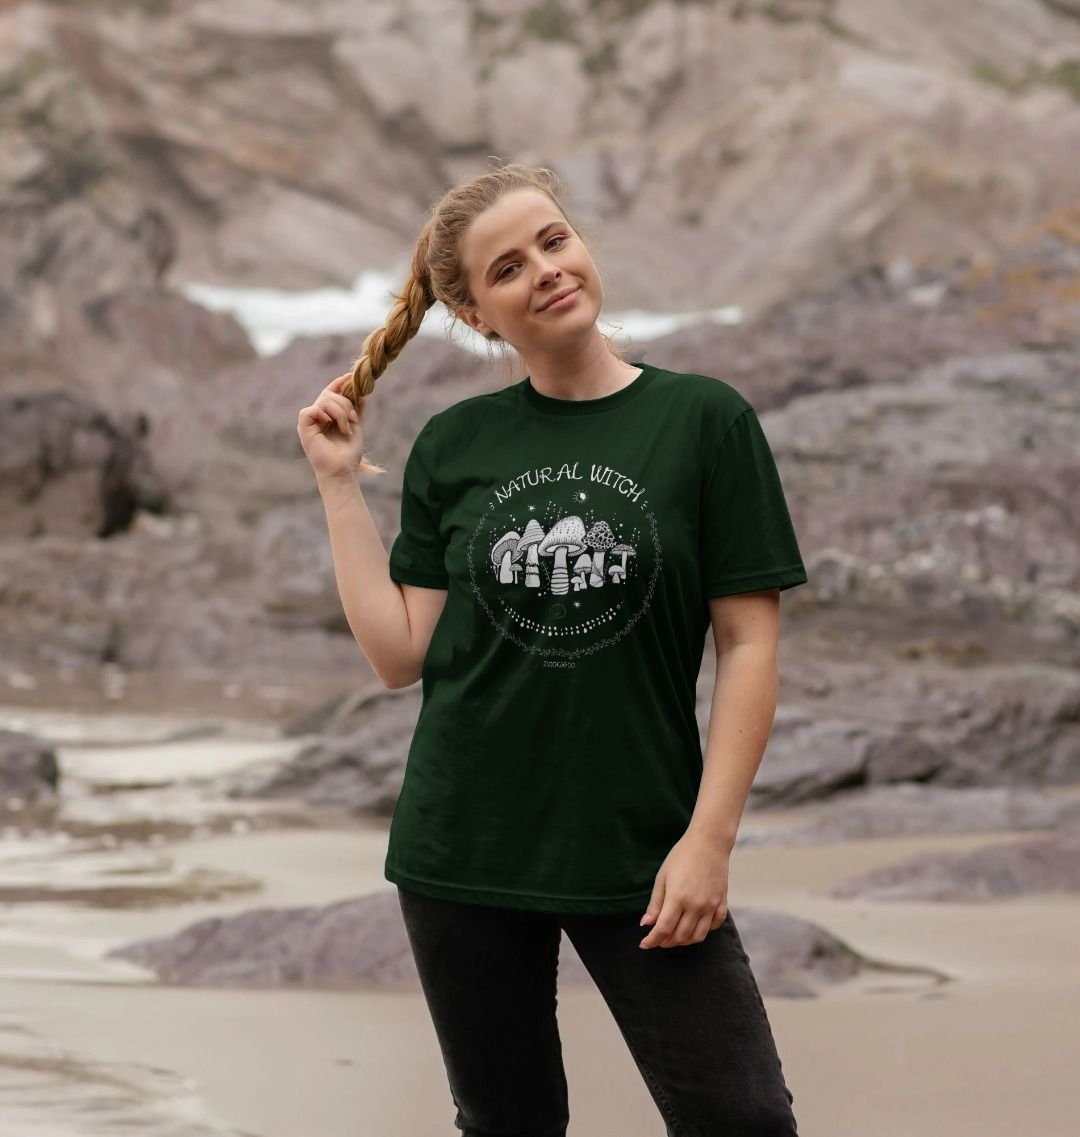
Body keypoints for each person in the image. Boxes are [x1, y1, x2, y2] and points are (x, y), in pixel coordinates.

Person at [298, 161, 807, 1137]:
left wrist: (709, 841)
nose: (544, 270)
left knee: (744, 1121)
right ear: (479, 315)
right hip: (465, 847)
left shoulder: (705, 421)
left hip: (643, 848)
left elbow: (748, 645)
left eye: (553, 241)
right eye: (506, 268)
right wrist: (335, 486)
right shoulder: (454, 444)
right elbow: (400, 654)